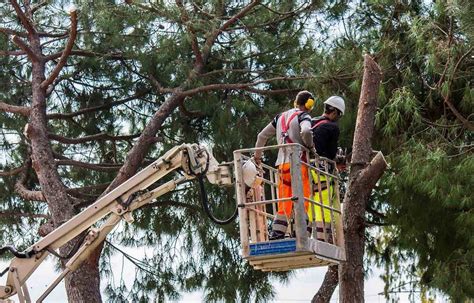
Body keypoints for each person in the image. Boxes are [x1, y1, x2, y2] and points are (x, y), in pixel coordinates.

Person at [254, 91, 315, 240]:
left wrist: (257, 157)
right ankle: (302, 234)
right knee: (303, 198)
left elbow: (261, 136)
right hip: (299, 163)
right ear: (309, 104)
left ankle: (277, 233)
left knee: (284, 202)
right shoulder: (303, 116)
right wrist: (311, 147)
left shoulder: (279, 117)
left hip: (282, 165)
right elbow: (306, 130)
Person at [308, 96, 345, 242]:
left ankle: (305, 233)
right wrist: (338, 160)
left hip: (307, 168)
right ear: (335, 112)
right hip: (322, 170)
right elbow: (330, 153)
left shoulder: (311, 122)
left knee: (310, 202)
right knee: (324, 203)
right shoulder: (332, 127)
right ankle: (324, 237)